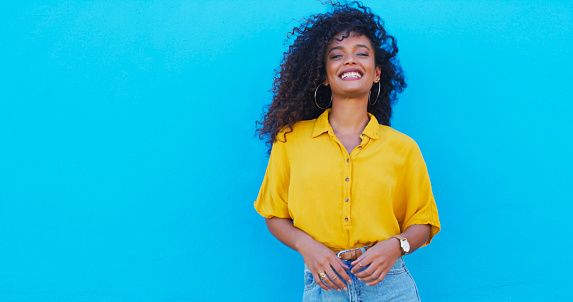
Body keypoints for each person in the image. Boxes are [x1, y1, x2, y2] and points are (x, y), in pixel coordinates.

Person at [254, 2, 440, 301]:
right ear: (324, 74)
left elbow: (424, 222)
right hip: (325, 281)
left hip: (389, 284)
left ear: (377, 73)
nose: (350, 61)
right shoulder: (290, 141)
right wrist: (308, 247)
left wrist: (395, 247)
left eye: (362, 53)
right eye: (337, 56)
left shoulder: (403, 148)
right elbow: (274, 214)